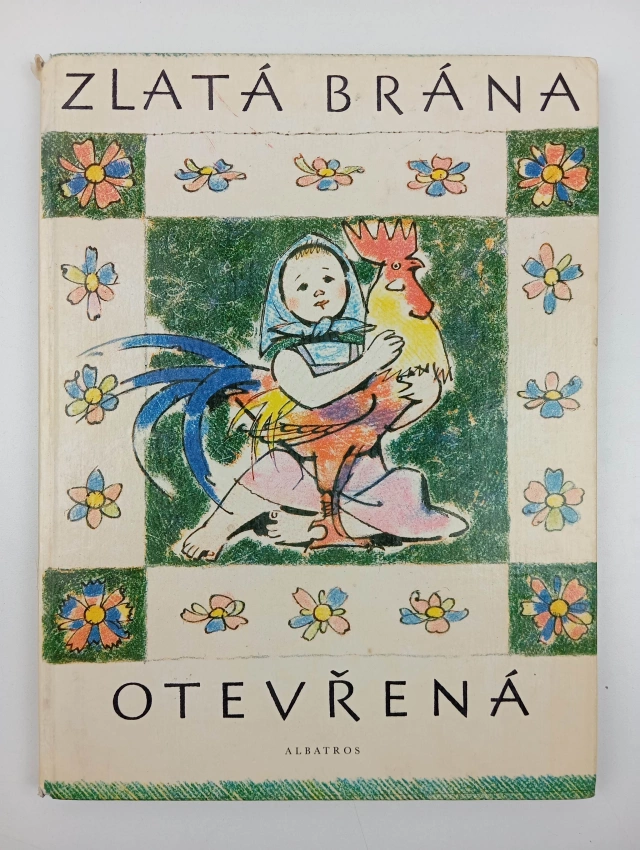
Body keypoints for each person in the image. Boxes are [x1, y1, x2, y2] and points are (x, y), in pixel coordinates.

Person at [181, 234, 466, 561]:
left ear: (347, 285)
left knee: (404, 494)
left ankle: (312, 528)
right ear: (283, 302)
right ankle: (216, 529)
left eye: (328, 279)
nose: (318, 290)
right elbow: (312, 395)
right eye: (303, 286)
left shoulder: (360, 347)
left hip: (362, 473)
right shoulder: (288, 356)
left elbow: (382, 419)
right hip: (301, 466)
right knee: (265, 474)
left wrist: (423, 397)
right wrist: (369, 363)